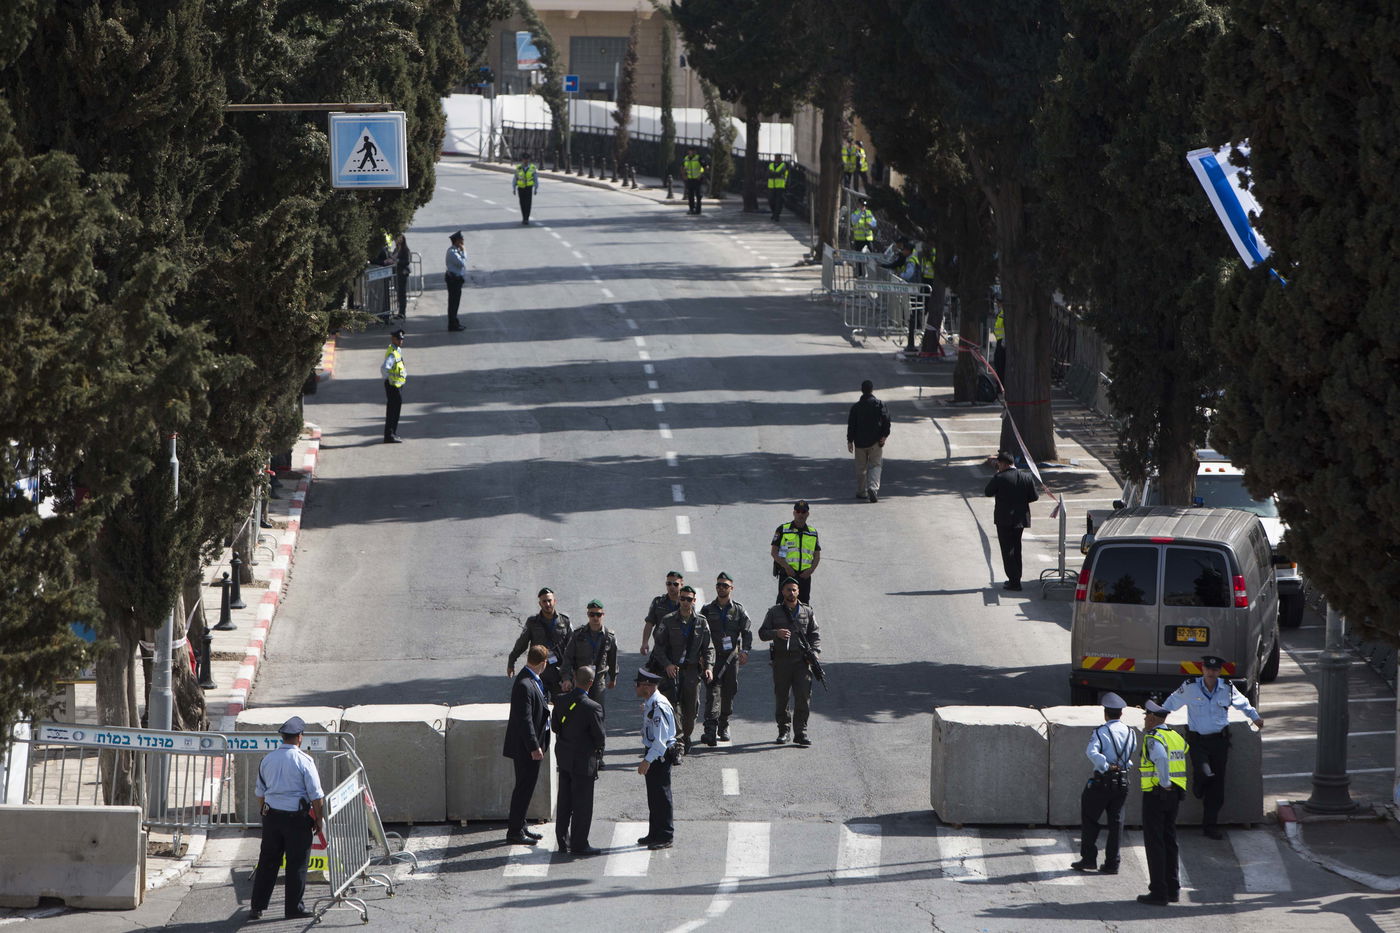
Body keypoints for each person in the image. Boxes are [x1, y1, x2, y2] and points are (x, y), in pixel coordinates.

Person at [1161, 655, 1265, 839]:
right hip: (1198, 742)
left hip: (1219, 742)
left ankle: (1210, 826)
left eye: (1215, 670)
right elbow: (1170, 703)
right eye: (1208, 669)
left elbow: (1243, 703)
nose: (1211, 673)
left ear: (1219, 672)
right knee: (1204, 773)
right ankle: (1198, 785)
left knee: (1217, 787)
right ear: (1202, 669)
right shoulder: (1190, 687)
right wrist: (1156, 718)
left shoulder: (1227, 688)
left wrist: (1255, 717)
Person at [248, 716, 324, 921]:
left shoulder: (267, 760)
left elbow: (260, 793)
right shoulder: (305, 761)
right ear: (300, 737)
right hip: (297, 819)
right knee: (297, 863)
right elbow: (316, 795)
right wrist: (318, 819)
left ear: (282, 737)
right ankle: (293, 908)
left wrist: (265, 813)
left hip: (272, 817)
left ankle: (257, 907)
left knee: (267, 862)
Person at [1070, 693, 1139, 875]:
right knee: (1117, 823)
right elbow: (1130, 753)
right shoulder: (1130, 732)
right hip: (1122, 781)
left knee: (1090, 818)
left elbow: (1091, 752)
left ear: (1105, 714)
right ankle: (1112, 863)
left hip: (1103, 781)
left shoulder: (1101, 731)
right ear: (1121, 714)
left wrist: (1106, 765)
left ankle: (1089, 859)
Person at [647, 584, 713, 752]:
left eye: (688, 599)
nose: (685, 602)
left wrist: (708, 667)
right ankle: (678, 742)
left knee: (690, 711)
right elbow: (658, 647)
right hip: (672, 672)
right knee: (673, 707)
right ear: (679, 599)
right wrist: (667, 664)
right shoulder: (668, 620)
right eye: (682, 598)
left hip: (691, 672)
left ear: (694, 601)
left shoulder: (701, 622)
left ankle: (686, 735)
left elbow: (708, 648)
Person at [758, 577, 821, 747]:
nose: (791, 593)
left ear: (798, 591)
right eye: (788, 590)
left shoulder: (807, 611)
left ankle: (801, 732)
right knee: (782, 697)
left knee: (803, 697)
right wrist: (776, 633)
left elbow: (815, 635)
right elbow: (762, 633)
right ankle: (783, 730)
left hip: (802, 662)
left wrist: (815, 653)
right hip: (782, 661)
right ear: (782, 592)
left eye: (794, 590)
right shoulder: (774, 612)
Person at [1137, 699, 1188, 906]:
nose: (1145, 720)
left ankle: (1159, 891)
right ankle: (1173, 889)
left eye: (1146, 716)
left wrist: (1164, 782)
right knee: (1169, 840)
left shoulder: (1153, 738)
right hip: (1175, 795)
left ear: (1152, 718)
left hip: (1157, 794)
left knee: (1155, 842)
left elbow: (1160, 758)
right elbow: (1182, 753)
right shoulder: (1175, 736)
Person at [551, 665, 605, 856]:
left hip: (565, 758)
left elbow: (555, 727)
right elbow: (599, 738)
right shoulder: (593, 707)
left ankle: (562, 841)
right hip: (583, 762)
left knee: (564, 801)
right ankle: (579, 844)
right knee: (582, 805)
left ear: (574, 678)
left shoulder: (560, 700)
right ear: (591, 683)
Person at [503, 644, 552, 845]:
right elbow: (525, 720)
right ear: (543, 663)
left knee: (526, 787)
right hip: (526, 748)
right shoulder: (525, 684)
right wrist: (534, 746)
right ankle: (515, 831)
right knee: (523, 788)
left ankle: (520, 825)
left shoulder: (531, 679)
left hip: (530, 745)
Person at [699, 572, 752, 745]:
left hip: (731, 659)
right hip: (712, 658)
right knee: (713, 691)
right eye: (719, 585)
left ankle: (724, 724)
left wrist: (745, 651)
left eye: (725, 585)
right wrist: (700, 655)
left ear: (731, 588)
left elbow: (747, 632)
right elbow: (699, 633)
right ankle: (710, 728)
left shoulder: (738, 610)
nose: (721, 588)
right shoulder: (707, 609)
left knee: (729, 691)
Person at [635, 667, 677, 850]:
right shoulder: (650, 703)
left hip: (659, 755)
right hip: (653, 752)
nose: (636, 688)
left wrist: (647, 761)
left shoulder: (658, 706)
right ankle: (654, 833)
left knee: (662, 796)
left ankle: (665, 835)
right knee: (653, 796)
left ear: (647, 686)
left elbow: (660, 741)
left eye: (638, 684)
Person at [984, 450, 1038, 590]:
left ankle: (1014, 581)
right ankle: (1016, 577)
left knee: (1007, 549)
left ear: (1003, 463)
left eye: (998, 464)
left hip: (1004, 519)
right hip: (1020, 518)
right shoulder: (1026, 476)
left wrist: (997, 476)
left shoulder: (999, 477)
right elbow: (1034, 496)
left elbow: (988, 492)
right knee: (1016, 547)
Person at [507, 587, 574, 699]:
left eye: (549, 600)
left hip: (559, 672)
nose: (547, 604)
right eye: (544, 601)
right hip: (538, 671)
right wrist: (511, 661)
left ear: (554, 601)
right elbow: (521, 644)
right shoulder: (532, 622)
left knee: (562, 704)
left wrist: (571, 674)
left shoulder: (565, 621)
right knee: (538, 704)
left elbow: (573, 647)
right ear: (540, 603)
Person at [561, 599, 618, 717]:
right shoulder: (578, 634)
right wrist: (566, 678)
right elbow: (568, 657)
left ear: (603, 614)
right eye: (592, 614)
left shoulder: (609, 637)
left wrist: (613, 677)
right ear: (588, 614)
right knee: (577, 711)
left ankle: (597, 729)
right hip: (580, 680)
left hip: (598, 681)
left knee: (597, 712)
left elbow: (612, 659)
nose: (595, 617)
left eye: (598, 614)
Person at [847, 380, 891, 503]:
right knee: (876, 465)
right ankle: (873, 488)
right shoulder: (880, 404)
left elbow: (851, 425)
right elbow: (886, 420)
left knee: (861, 468)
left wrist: (850, 441)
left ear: (862, 390)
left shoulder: (856, 407)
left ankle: (862, 492)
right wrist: (884, 435)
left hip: (859, 443)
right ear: (872, 390)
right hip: (876, 442)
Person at [770, 500, 820, 604]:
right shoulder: (783, 529)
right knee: (782, 605)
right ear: (794, 513)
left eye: (803, 512)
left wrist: (810, 570)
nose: (800, 514)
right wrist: (786, 567)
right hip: (788, 574)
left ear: (808, 514)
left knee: (804, 606)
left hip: (804, 576)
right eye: (798, 511)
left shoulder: (812, 532)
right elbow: (774, 552)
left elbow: (817, 556)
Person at [640, 570, 683, 656]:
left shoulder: (686, 603)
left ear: (681, 585)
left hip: (680, 649)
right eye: (669, 584)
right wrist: (645, 643)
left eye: (675, 584)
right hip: (661, 647)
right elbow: (649, 623)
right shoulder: (658, 602)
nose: (672, 587)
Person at [381, 329, 406, 443]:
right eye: (398, 339)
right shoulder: (392, 353)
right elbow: (384, 368)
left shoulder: (397, 350)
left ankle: (392, 433)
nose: (401, 341)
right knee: (392, 410)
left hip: (397, 384)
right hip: (393, 386)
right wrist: (390, 379)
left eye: (402, 339)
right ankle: (389, 435)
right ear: (393, 339)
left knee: (395, 409)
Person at [445, 230, 467, 332]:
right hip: (453, 280)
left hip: (457, 279)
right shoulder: (452, 252)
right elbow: (462, 263)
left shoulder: (456, 250)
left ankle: (455, 322)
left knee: (455, 302)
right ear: (457, 241)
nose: (463, 242)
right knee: (453, 303)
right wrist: (464, 251)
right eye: (461, 240)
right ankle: (452, 324)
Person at [850, 199, 876, 276]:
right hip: (859, 239)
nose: (863, 207)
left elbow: (874, 224)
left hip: (868, 239)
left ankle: (872, 274)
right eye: (862, 205)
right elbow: (854, 221)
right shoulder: (855, 213)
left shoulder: (869, 213)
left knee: (871, 257)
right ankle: (860, 274)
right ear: (858, 205)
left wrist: (870, 224)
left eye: (864, 205)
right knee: (858, 257)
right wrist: (860, 213)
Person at [392, 233, 412, 320]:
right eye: (396, 239)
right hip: (397, 272)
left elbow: (407, 261)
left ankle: (402, 312)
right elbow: (392, 257)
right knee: (399, 293)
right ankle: (400, 311)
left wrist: (398, 260)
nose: (397, 240)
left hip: (403, 273)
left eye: (399, 239)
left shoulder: (405, 250)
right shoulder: (396, 249)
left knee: (402, 293)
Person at [514, 155, 539, 224]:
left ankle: (526, 218)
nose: (526, 161)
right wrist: (514, 188)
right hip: (521, 188)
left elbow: (535, 179)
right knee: (522, 203)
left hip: (529, 188)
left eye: (527, 159)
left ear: (529, 160)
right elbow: (515, 178)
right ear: (522, 160)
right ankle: (524, 217)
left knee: (528, 203)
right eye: (524, 159)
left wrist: (536, 188)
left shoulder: (532, 168)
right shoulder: (518, 168)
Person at [682, 147, 705, 215]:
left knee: (698, 195)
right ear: (688, 151)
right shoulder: (686, 158)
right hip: (689, 179)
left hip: (697, 180)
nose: (692, 152)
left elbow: (704, 167)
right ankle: (691, 209)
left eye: (693, 151)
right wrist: (684, 175)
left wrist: (700, 175)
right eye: (690, 151)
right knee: (690, 195)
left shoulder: (699, 158)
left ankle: (698, 210)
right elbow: (683, 167)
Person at [767, 155, 790, 222]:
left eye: (778, 158)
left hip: (780, 186)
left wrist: (773, 173)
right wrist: (776, 174)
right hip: (771, 186)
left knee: (778, 202)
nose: (777, 159)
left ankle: (776, 215)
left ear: (781, 159)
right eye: (776, 158)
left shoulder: (783, 165)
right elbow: (768, 173)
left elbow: (780, 172)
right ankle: (774, 213)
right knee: (771, 201)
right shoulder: (771, 165)